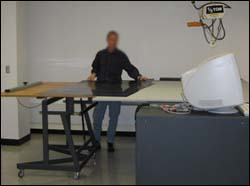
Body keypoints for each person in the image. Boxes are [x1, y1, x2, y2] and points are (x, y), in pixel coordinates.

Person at [87, 31, 148, 152]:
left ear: (117, 41)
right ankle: (96, 142)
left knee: (114, 117)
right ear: (107, 40)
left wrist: (139, 76)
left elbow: (130, 69)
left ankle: (110, 142)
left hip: (116, 90)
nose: (113, 42)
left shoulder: (121, 56)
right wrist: (93, 74)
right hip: (101, 90)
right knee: (97, 117)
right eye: (111, 39)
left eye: (115, 40)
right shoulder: (100, 54)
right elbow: (95, 68)